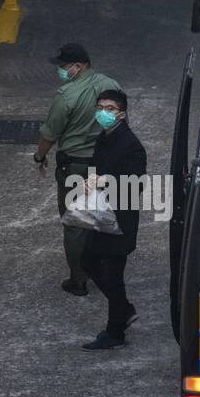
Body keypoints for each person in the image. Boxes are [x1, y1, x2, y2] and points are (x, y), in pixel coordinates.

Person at [34, 44, 123, 296]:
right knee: (103, 214)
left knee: (75, 223)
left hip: (75, 166)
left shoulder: (67, 95)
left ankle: (78, 278)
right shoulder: (111, 86)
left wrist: (39, 156)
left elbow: (49, 133)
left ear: (78, 66)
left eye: (64, 66)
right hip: (105, 164)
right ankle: (107, 268)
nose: (61, 71)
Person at [79, 90, 146, 351]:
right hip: (101, 214)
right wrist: (90, 182)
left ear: (121, 113)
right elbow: (97, 168)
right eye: (99, 107)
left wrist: (106, 181)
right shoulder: (104, 138)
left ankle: (115, 330)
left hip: (120, 220)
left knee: (113, 274)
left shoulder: (131, 145)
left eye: (108, 108)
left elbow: (138, 182)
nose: (102, 112)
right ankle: (124, 309)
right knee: (88, 261)